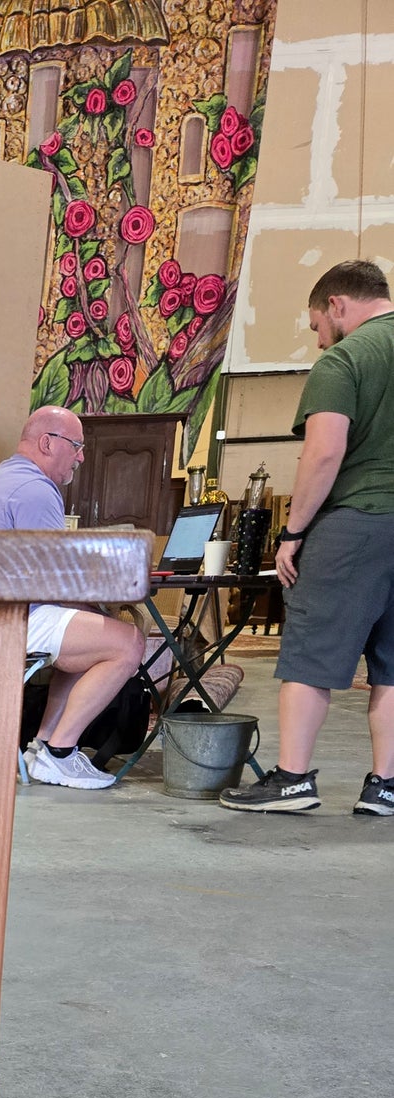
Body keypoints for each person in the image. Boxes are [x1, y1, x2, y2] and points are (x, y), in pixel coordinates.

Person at [220, 260, 394, 816]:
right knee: (393, 666)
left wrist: (292, 532)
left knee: (309, 658)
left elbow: (323, 452)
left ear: (339, 304)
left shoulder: (346, 359)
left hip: (355, 524)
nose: (320, 340)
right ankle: (385, 787)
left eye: (318, 324)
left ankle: (293, 780)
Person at [0, 407, 144, 789]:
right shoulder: (35, 489)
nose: (81, 456)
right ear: (48, 442)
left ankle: (43, 746)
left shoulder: (4, 478)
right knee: (128, 642)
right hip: (9, 620)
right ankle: (61, 752)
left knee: (90, 640)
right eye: (76, 446)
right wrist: (99, 607)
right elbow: (57, 581)